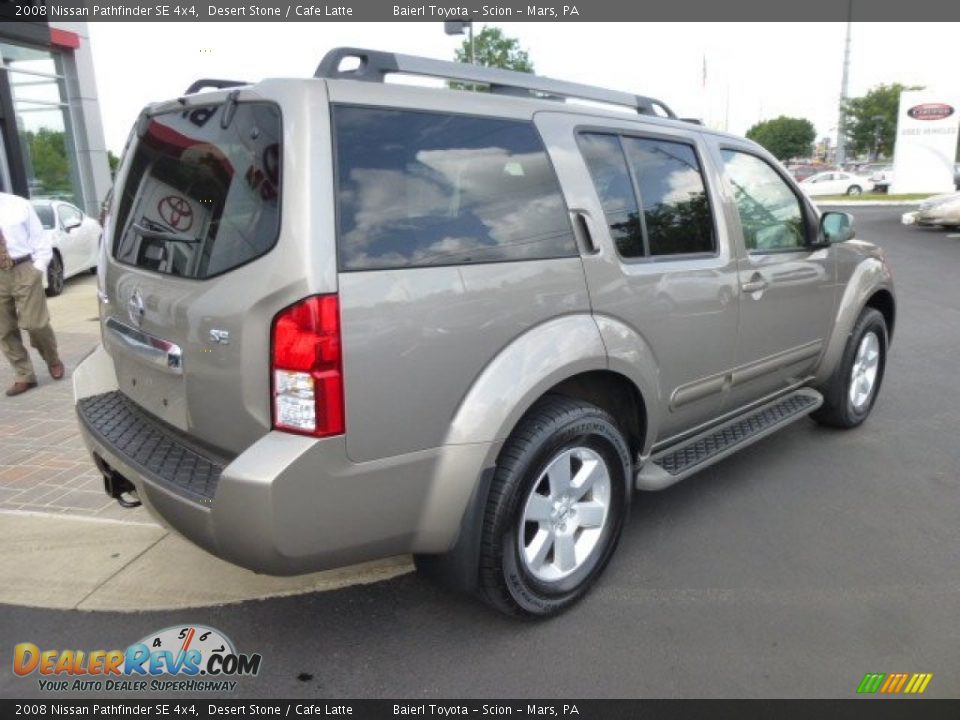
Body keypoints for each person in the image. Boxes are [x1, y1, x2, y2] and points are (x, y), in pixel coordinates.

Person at [0, 191, 64, 396]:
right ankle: (24, 375)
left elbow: (39, 237)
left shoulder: (17, 205)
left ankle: (52, 359)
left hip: (23, 268)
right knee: (4, 329)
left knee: (36, 323)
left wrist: (38, 267)